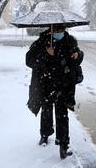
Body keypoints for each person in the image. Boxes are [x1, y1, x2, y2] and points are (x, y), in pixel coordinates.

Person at [26, 25, 83, 159]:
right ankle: (44, 136)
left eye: (61, 30)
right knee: (46, 111)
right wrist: (46, 54)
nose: (59, 33)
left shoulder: (70, 41)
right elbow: (29, 60)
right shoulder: (41, 41)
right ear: (50, 30)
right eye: (56, 30)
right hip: (46, 83)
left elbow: (79, 56)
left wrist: (77, 55)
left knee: (62, 114)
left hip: (64, 84)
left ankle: (63, 145)